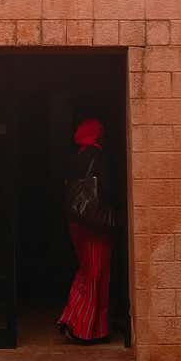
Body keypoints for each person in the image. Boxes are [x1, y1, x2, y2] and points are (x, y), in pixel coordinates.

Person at [58, 118, 114, 345]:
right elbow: (108, 189)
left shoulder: (74, 158)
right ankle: (81, 325)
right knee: (97, 273)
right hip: (96, 223)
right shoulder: (99, 156)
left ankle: (82, 321)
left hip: (76, 222)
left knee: (86, 269)